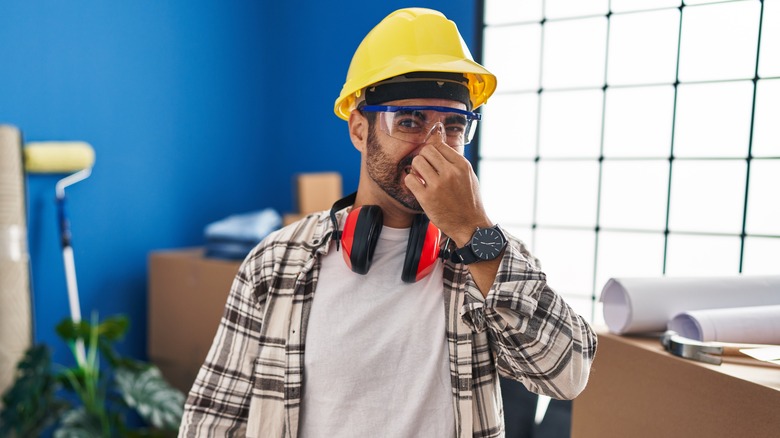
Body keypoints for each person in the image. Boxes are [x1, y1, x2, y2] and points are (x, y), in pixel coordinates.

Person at [179, 7, 597, 438]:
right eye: (410, 121)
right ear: (360, 130)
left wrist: (473, 232)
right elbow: (212, 419)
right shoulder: (275, 263)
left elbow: (567, 376)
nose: (433, 149)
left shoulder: (486, 259)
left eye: (453, 126)